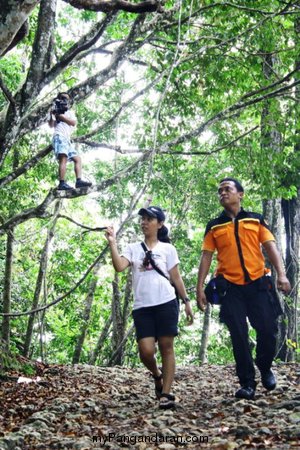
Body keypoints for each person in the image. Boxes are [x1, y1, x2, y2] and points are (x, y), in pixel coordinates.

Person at [196, 178, 291, 400]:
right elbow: (206, 256)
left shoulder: (256, 220)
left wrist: (282, 275)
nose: (222, 193)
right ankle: (247, 383)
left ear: (241, 194)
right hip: (230, 288)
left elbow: (270, 246)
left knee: (268, 329)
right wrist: (200, 288)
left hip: (258, 285)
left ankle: (265, 366)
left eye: (227, 189)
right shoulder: (214, 225)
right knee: (239, 335)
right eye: (220, 191)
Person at [105, 206, 194, 409]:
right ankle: (157, 374)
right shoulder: (133, 248)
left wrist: (187, 301)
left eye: (149, 219)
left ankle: (167, 393)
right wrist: (113, 243)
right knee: (145, 351)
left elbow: (176, 277)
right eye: (143, 219)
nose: (144, 222)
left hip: (166, 302)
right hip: (142, 306)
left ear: (160, 224)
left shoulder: (168, 249)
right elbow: (119, 266)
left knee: (166, 347)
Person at [48, 92, 92, 190]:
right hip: (59, 136)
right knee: (63, 158)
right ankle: (62, 183)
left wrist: (61, 117)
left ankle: (79, 181)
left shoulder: (69, 112)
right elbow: (51, 125)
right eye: (62, 98)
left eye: (66, 99)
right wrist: (52, 114)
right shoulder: (55, 111)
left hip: (67, 140)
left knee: (77, 159)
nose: (64, 100)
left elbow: (73, 122)